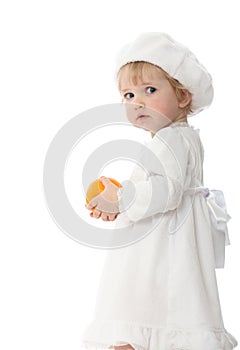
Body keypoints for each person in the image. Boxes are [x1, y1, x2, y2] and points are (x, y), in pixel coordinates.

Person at [81, 33, 238, 350]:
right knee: (152, 309)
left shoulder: (172, 139)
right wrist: (117, 200)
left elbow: (166, 191)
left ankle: (134, 340)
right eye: (127, 95)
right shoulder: (176, 137)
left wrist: (123, 197)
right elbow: (155, 188)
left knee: (144, 307)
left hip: (160, 248)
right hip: (161, 242)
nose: (136, 102)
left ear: (182, 96)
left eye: (149, 90)